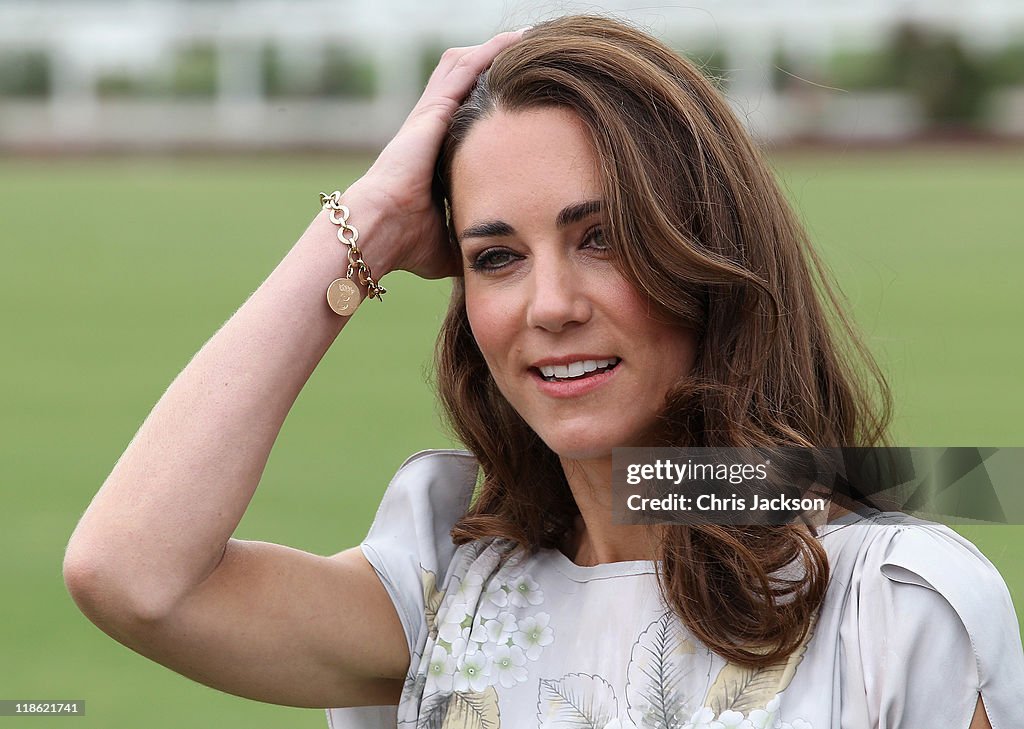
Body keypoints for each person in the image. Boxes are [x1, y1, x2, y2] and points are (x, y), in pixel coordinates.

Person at [63, 15, 1022, 729]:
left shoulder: (892, 607)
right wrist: (368, 225)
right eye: (496, 256)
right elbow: (133, 576)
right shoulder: (453, 590)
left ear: (707, 254)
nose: (549, 305)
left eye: (601, 238)